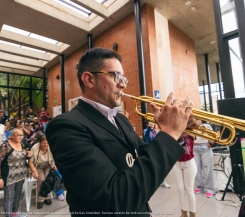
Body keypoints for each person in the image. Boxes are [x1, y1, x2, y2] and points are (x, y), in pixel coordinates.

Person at [46, 47, 197, 215]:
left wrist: (177, 132)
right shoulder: (66, 126)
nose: (123, 84)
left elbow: (142, 155)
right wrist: (169, 134)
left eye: (123, 78)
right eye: (115, 76)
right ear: (89, 79)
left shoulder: (121, 119)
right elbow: (115, 198)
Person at [0, 128, 32, 217]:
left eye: (22, 135)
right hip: (8, 175)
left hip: (21, 174)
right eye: (18, 135)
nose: (21, 137)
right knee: (9, 197)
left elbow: (21, 157)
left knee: (18, 194)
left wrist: (28, 156)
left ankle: (15, 213)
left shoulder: (22, 144)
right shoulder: (5, 146)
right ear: (11, 135)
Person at [28, 135, 58, 209]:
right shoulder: (35, 148)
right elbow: (30, 162)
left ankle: (47, 197)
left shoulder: (50, 147)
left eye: (47, 143)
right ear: (39, 143)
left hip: (47, 166)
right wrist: (34, 171)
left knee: (49, 180)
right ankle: (40, 199)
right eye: (43, 143)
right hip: (37, 166)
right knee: (41, 180)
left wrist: (55, 166)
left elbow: (54, 158)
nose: (46, 145)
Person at [174, 133, 198, 217]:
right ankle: (183, 213)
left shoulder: (190, 132)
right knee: (180, 189)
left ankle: (193, 213)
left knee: (189, 189)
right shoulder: (174, 133)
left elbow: (194, 135)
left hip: (189, 163)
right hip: (177, 163)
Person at [143, 121, 170, 188]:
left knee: (161, 167)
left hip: (157, 151)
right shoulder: (145, 130)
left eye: (152, 123)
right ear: (147, 124)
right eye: (150, 123)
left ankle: (162, 181)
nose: (152, 124)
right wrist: (149, 127)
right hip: (150, 151)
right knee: (151, 167)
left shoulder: (155, 131)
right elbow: (146, 136)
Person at [193, 122, 215, 198]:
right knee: (196, 169)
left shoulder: (206, 126)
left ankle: (210, 189)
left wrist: (209, 145)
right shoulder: (191, 126)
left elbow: (213, 136)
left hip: (205, 147)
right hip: (194, 148)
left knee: (207, 169)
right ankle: (199, 187)